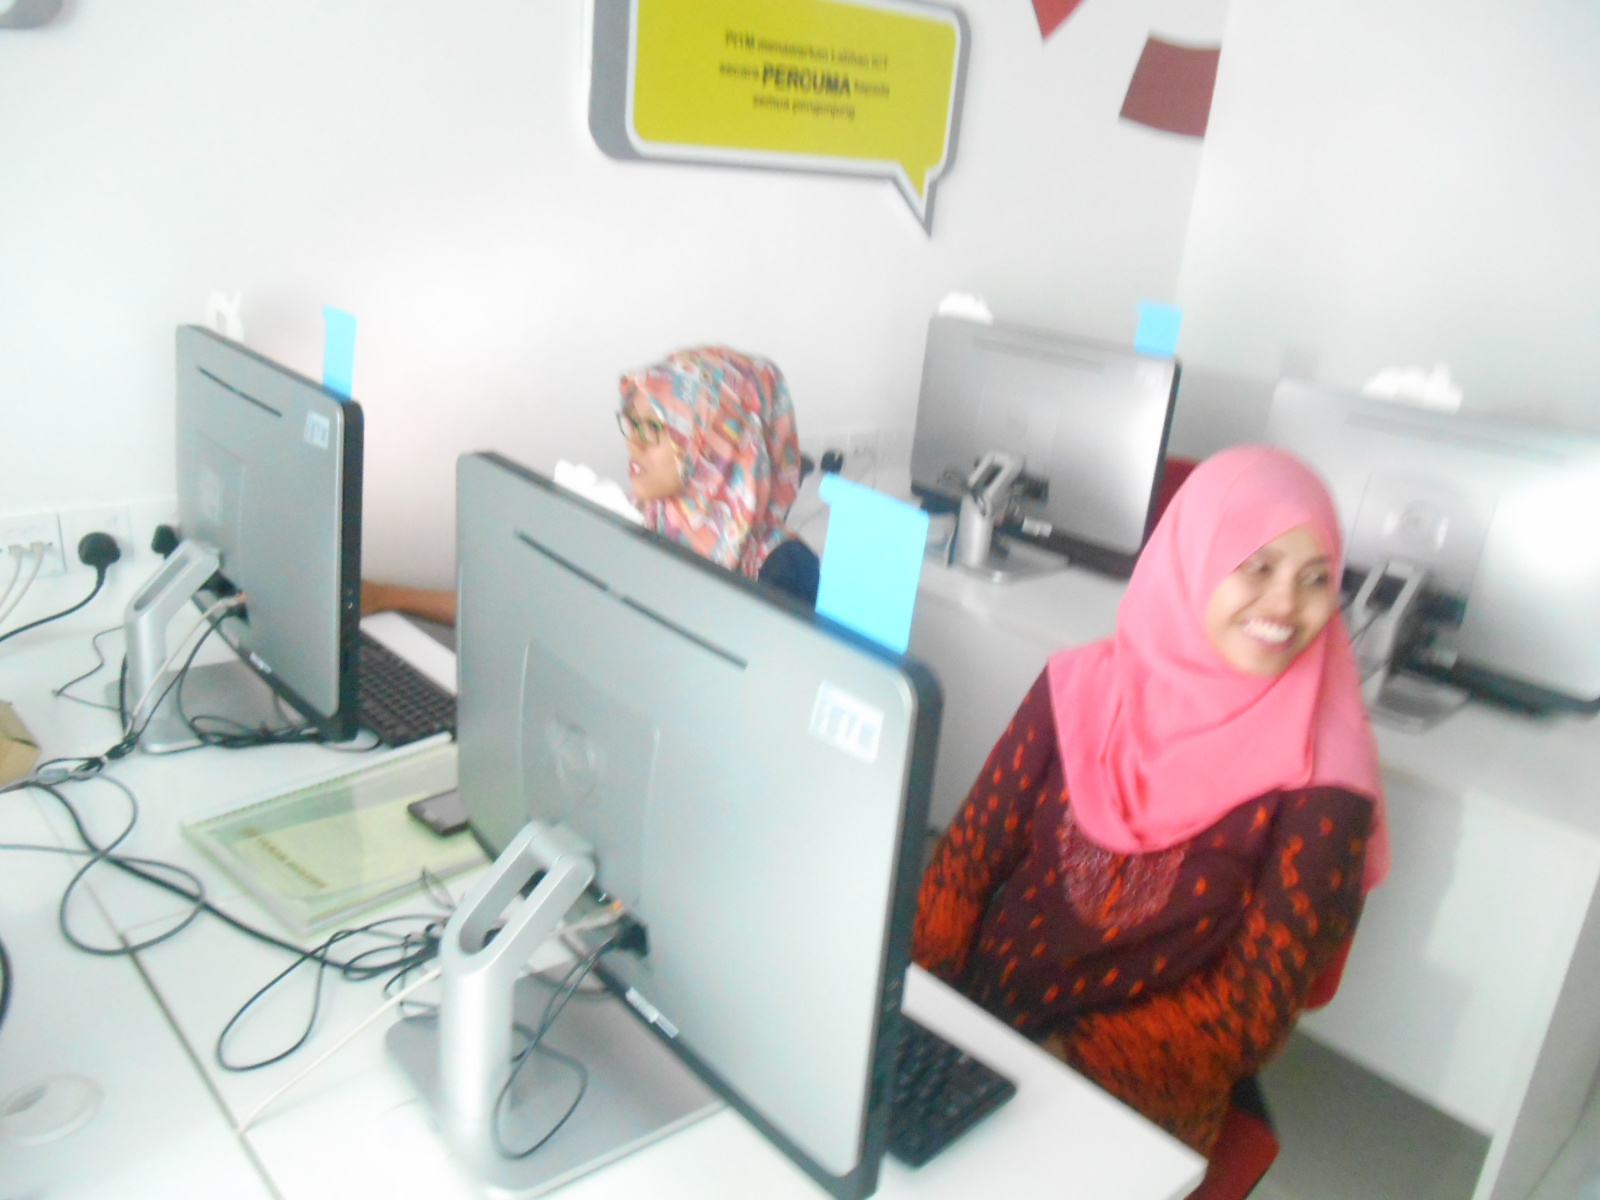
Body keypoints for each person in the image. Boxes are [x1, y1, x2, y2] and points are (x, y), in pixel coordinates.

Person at [911, 444, 1389, 1158]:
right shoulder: (1082, 686)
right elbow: (966, 862)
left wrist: (1050, 1071)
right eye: (1257, 566)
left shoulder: (1327, 782)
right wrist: (921, 1003)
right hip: (983, 1017)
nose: (1287, 604)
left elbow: (1249, 1013)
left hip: (1136, 1084)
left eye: (1316, 578)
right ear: (1191, 559)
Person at [362, 346, 819, 622]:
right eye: (631, 424)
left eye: (653, 430)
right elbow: (531, 605)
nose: (633, 446)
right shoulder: (645, 522)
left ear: (715, 447)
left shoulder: (782, 570)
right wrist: (385, 597)